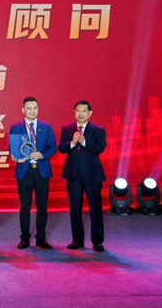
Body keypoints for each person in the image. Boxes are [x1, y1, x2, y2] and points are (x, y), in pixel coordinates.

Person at [58, 100, 107, 252]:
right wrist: (72, 143)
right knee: (74, 208)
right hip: (73, 174)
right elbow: (61, 148)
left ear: (90, 113)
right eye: (78, 110)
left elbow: (100, 147)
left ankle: (97, 241)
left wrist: (84, 141)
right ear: (74, 112)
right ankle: (77, 240)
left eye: (84, 111)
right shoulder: (67, 129)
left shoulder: (98, 130)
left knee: (95, 208)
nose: (81, 113)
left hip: (92, 174)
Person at [10, 97, 57, 250]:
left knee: (42, 206)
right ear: (23, 110)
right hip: (24, 171)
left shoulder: (46, 127)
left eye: (35, 108)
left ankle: (41, 238)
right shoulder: (16, 127)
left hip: (42, 171)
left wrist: (42, 154)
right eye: (29, 108)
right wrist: (17, 157)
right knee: (25, 207)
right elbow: (13, 149)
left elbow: (52, 147)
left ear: (38, 109)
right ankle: (24, 238)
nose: (32, 111)